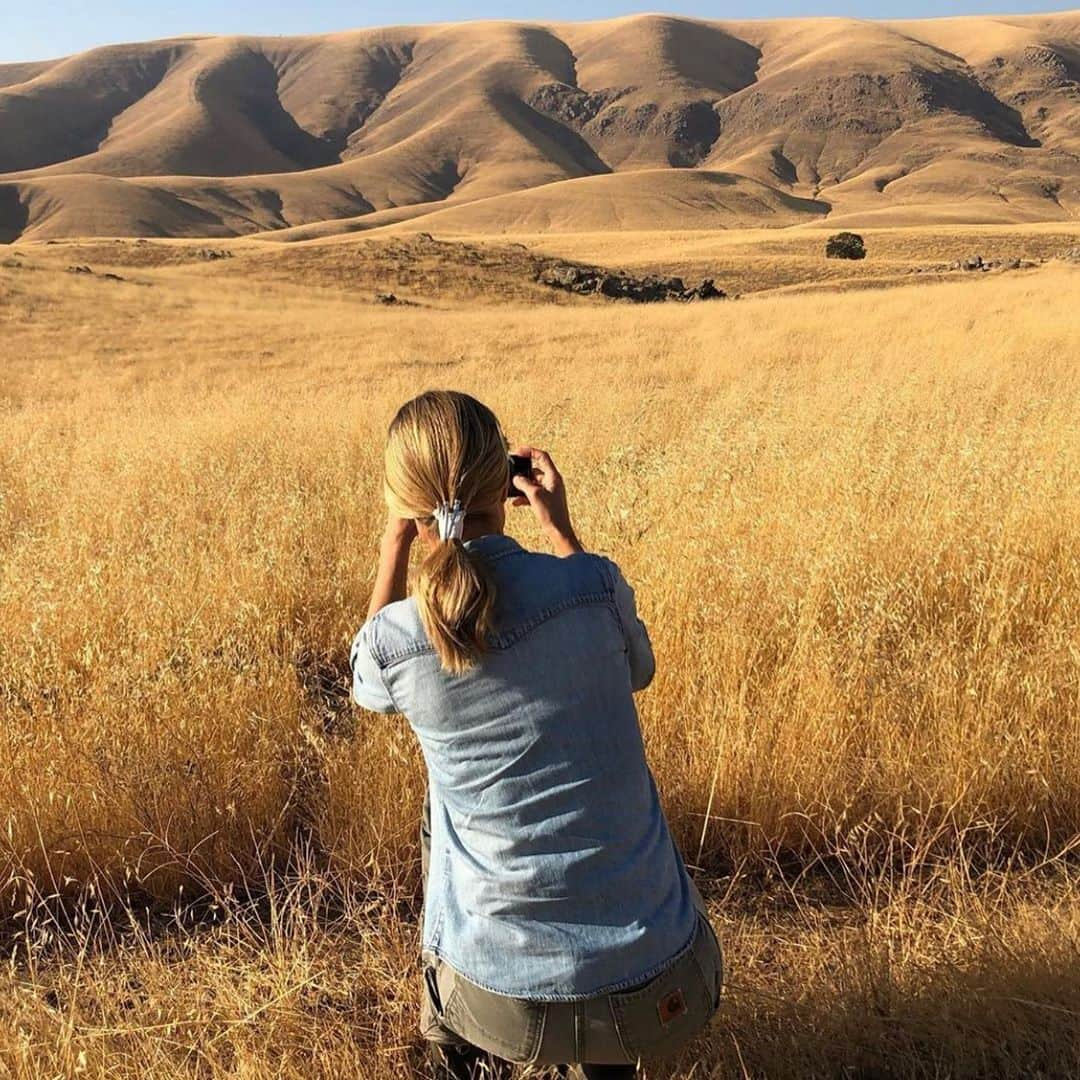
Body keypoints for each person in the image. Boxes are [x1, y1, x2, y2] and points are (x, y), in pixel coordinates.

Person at [350, 390, 722, 1078]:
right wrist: (561, 530)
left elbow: (366, 688)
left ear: (406, 504)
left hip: (502, 1001)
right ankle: (599, 1054)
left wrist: (393, 548)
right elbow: (637, 669)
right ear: (506, 480)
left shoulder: (398, 642)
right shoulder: (592, 586)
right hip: (668, 978)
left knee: (447, 814)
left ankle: (458, 1049)